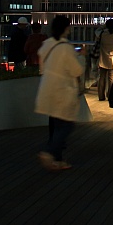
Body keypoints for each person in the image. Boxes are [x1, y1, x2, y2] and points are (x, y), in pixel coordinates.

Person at [35, 15, 83, 171]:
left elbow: (42, 68)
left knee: (56, 125)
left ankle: (57, 159)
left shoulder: (46, 45)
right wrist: (81, 57)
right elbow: (76, 70)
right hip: (62, 90)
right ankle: (49, 152)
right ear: (66, 28)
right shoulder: (66, 48)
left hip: (47, 88)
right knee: (66, 125)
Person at [96, 20, 113, 101]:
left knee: (102, 78)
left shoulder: (102, 34)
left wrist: (104, 26)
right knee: (111, 79)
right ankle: (110, 95)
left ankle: (101, 96)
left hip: (102, 59)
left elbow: (97, 31)